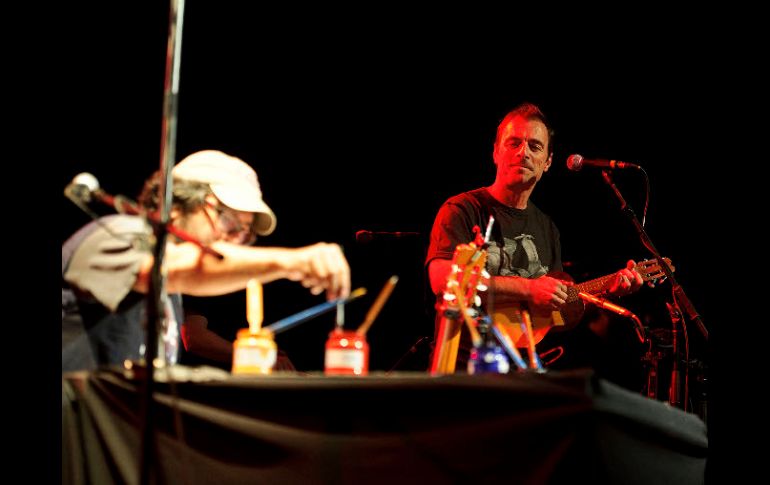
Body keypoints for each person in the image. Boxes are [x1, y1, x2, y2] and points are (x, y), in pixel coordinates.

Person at [62, 149, 350, 371]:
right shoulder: (114, 234)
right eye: (227, 219)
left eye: (245, 233)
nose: (234, 239)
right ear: (175, 204)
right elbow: (180, 266)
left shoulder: (172, 293)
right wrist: (291, 261)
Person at [425, 102, 642, 370]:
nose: (523, 153)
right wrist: (529, 287)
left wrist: (609, 291)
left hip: (522, 374)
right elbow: (443, 280)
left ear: (547, 162)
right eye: (513, 143)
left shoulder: (547, 228)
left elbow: (554, 310)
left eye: (534, 146)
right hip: (461, 370)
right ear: (495, 152)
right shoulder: (462, 209)